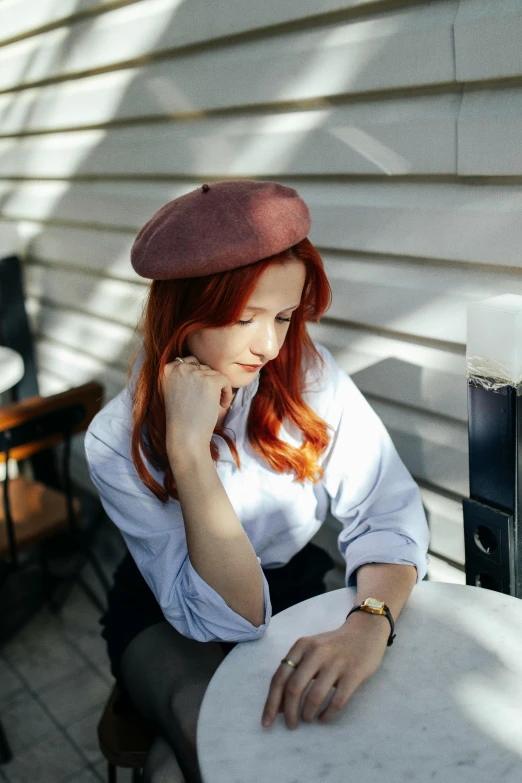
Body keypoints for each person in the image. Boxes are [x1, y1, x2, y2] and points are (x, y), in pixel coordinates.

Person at [85, 180, 430, 783]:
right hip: (163, 608)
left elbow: (386, 511)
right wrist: (189, 451)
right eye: (243, 317)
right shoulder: (115, 439)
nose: (269, 344)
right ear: (182, 311)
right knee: (204, 731)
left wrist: (370, 622)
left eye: (284, 316)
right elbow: (233, 617)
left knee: (334, 728)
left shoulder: (308, 375)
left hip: (294, 579)